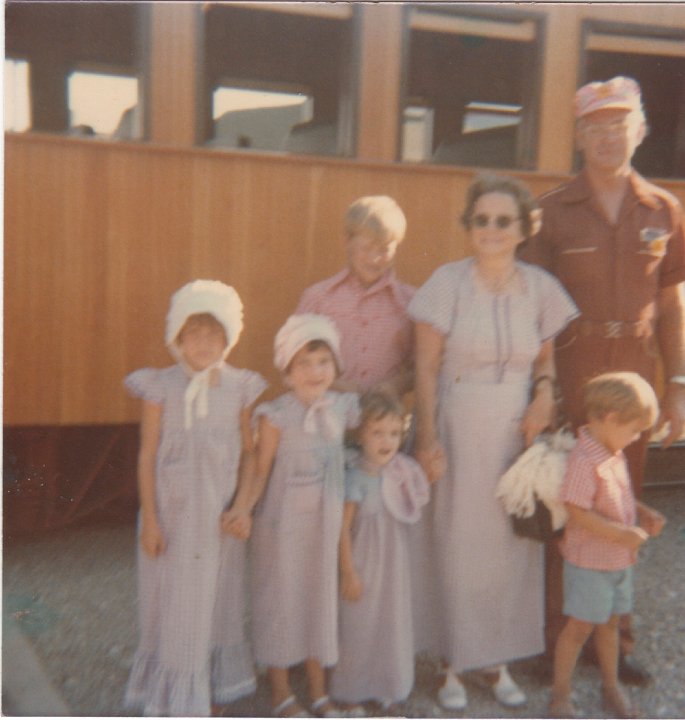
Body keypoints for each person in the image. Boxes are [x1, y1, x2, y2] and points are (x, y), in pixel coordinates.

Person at [523, 75, 685, 684]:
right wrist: (544, 384)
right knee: (564, 506)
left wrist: (677, 385)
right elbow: (536, 307)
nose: (609, 136)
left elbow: (672, 304)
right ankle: (553, 639)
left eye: (620, 124)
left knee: (623, 506)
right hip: (574, 372)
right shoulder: (551, 213)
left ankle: (616, 637)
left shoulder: (663, 209)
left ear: (639, 131)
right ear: (579, 136)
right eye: (596, 126)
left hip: (636, 381)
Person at [409, 174, 579, 711]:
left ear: (525, 228)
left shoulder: (540, 287)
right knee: (459, 542)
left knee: (510, 545)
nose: (491, 229)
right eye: (481, 219)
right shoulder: (446, 283)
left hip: (519, 427)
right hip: (459, 421)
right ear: (468, 227)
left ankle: (497, 657)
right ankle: (453, 661)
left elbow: (546, 358)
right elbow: (425, 365)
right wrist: (428, 437)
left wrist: (545, 395)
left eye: (503, 221)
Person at [123, 279, 267, 716]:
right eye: (194, 332)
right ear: (178, 338)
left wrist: (243, 506)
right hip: (171, 517)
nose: (204, 342)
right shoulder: (159, 386)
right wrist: (150, 519)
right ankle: (178, 699)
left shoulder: (241, 387)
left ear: (229, 338)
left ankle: (210, 689)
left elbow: (250, 454)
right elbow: (148, 455)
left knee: (214, 605)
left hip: (216, 518)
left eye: (214, 333)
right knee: (174, 606)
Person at [239, 314, 361, 718]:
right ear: (288, 372)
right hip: (283, 525)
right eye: (304, 364)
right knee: (282, 598)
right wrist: (244, 509)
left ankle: (319, 691)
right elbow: (259, 468)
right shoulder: (277, 415)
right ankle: (279, 691)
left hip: (324, 525)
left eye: (323, 362)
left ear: (336, 367)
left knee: (317, 599)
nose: (315, 372)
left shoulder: (342, 408)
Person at [549, 372, 666, 719]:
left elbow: (621, 497)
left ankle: (610, 685)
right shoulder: (585, 460)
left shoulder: (613, 452)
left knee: (612, 623)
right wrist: (621, 535)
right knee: (579, 628)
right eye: (633, 430)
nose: (634, 438)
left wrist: (643, 512)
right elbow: (576, 510)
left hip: (617, 562)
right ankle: (560, 694)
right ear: (611, 418)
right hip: (590, 562)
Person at [331, 392, 430, 714]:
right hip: (363, 564)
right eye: (377, 433)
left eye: (393, 433)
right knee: (359, 625)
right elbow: (342, 529)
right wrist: (347, 571)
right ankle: (350, 691)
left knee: (389, 622)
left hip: (392, 566)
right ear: (361, 435)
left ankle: (386, 684)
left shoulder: (400, 472)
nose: (386, 441)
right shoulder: (356, 476)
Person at [295, 195, 415, 398]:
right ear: (347, 241)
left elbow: (422, 368)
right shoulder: (318, 298)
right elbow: (291, 363)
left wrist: (396, 385)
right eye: (366, 248)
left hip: (381, 422)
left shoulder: (410, 302)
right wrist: (335, 385)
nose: (374, 258)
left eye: (384, 249)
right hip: (326, 418)